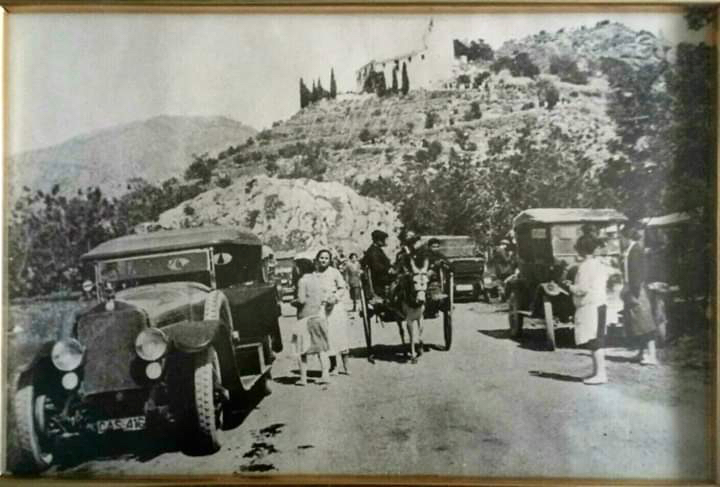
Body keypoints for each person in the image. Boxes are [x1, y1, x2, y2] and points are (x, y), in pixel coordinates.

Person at [565, 235, 610, 385]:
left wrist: (569, 286)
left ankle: (601, 374)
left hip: (590, 306)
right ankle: (598, 371)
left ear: (581, 250)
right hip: (600, 303)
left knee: (594, 340)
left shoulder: (585, 266)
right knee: (597, 339)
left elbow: (582, 290)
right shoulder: (599, 264)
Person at [620, 223, 659, 366]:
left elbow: (637, 274)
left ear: (626, 236)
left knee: (645, 322)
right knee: (637, 323)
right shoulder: (631, 250)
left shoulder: (635, 250)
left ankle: (652, 355)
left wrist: (631, 291)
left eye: (621, 237)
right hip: (633, 289)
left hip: (637, 291)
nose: (620, 240)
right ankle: (642, 352)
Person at [293, 258, 330, 386]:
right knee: (322, 349)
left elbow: (301, 300)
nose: (295, 270)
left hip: (305, 318)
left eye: (296, 267)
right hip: (318, 316)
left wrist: (293, 302)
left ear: (301, 268)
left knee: (302, 350)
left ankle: (303, 378)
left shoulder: (302, 281)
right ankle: (325, 375)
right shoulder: (317, 279)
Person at [315, 249, 351, 375]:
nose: (323, 260)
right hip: (323, 309)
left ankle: (346, 366)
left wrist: (335, 298)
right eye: (321, 258)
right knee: (328, 337)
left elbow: (342, 287)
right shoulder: (314, 275)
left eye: (326, 258)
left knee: (340, 335)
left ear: (330, 260)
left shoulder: (334, 272)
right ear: (317, 259)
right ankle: (334, 366)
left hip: (336, 308)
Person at [361, 229, 394, 303]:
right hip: (379, 279)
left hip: (382, 277)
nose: (387, 241)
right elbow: (376, 266)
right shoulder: (373, 251)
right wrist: (388, 270)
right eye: (385, 240)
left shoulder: (377, 249)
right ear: (379, 240)